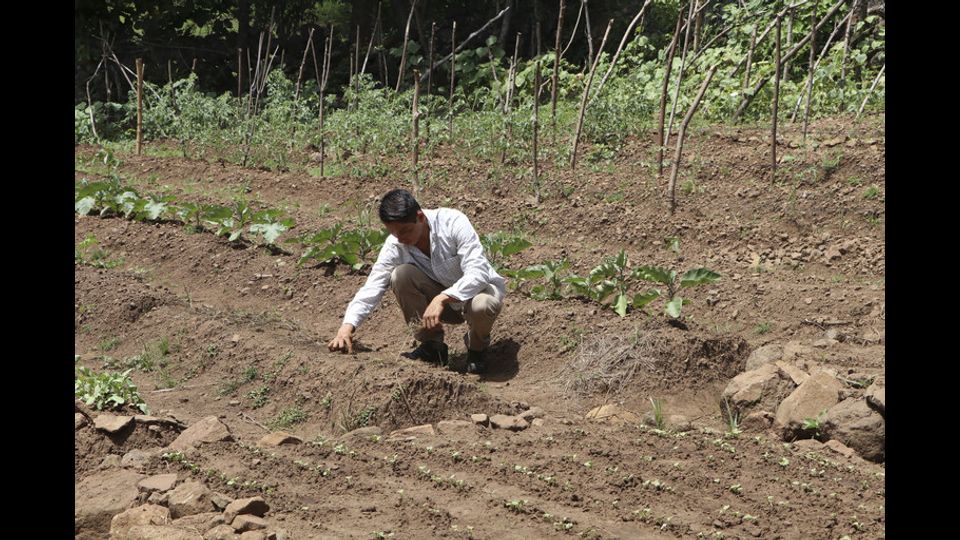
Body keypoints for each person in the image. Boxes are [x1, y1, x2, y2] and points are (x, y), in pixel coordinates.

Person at [327, 189, 505, 374]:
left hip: (478, 294)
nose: (401, 238)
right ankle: (432, 347)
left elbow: (478, 272)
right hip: (440, 308)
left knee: (482, 305)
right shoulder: (396, 244)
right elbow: (373, 286)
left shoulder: (452, 222)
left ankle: (477, 350)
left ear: (420, 217)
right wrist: (346, 327)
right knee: (400, 275)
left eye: (405, 231)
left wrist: (442, 298)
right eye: (395, 234)